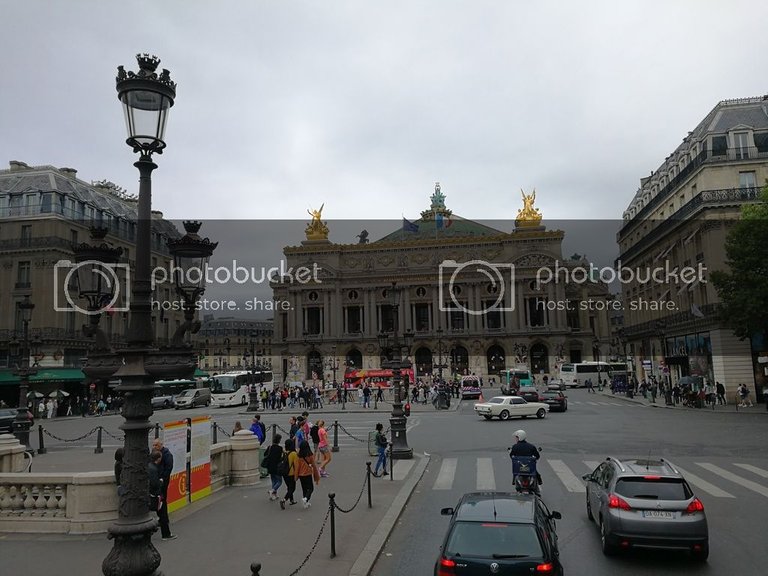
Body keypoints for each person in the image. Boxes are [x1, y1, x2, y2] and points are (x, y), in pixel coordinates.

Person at [149, 449, 176, 540]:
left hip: (151, 495)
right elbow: (155, 484)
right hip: (156, 496)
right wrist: (160, 482)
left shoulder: (149, 466)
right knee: (163, 514)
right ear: (158, 459)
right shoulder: (154, 469)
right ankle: (166, 534)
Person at [151, 438, 173, 533]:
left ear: (161, 445)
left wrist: (162, 478)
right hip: (157, 480)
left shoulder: (167, 455)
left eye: (156, 445)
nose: (154, 447)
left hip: (162, 481)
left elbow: (168, 468)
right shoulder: (154, 453)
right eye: (153, 445)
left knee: (162, 500)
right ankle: (162, 518)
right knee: (159, 501)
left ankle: (164, 519)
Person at [294, 440, 320, 508]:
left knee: (304, 489)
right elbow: (313, 465)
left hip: (301, 475)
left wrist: (296, 476)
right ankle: (306, 499)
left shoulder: (298, 456)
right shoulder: (310, 455)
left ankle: (305, 502)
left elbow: (297, 467)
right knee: (311, 488)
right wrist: (316, 476)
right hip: (308, 473)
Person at [263, 433, 284, 501]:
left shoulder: (270, 447)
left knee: (274, 481)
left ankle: (274, 495)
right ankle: (272, 490)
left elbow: (265, 454)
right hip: (277, 466)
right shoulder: (280, 448)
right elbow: (280, 458)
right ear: (279, 440)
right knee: (279, 481)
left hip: (270, 466)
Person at [279, 438, 298, 509]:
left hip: (284, 473)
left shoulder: (284, 452)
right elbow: (296, 465)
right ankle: (284, 499)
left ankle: (291, 500)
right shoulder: (293, 454)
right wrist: (296, 475)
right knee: (292, 488)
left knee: (289, 487)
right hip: (291, 473)